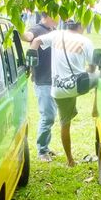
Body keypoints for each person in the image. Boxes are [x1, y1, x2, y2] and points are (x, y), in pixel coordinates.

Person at [30, 20, 96, 167]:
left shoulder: (56, 35)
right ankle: (95, 109)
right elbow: (92, 68)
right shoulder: (85, 41)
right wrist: (88, 74)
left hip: (58, 90)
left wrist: (32, 58)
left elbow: (36, 41)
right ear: (81, 25)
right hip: (78, 87)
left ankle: (70, 160)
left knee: (65, 124)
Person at [22, 13, 58, 162]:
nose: (60, 17)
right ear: (49, 14)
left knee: (51, 115)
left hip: (54, 79)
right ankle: (42, 150)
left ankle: (46, 147)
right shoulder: (37, 29)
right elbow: (28, 36)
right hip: (43, 80)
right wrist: (16, 25)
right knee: (47, 116)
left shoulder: (53, 30)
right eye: (58, 14)